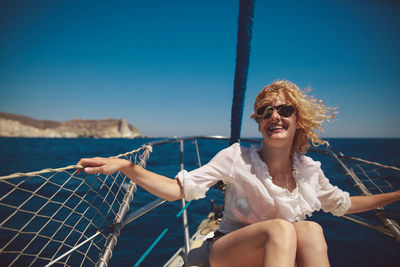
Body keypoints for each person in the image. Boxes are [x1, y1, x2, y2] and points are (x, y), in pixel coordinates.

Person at [77, 80, 400, 267]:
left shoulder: (309, 169)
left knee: (312, 230)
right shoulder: (236, 157)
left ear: (297, 120)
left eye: (284, 110)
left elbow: (344, 204)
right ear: (258, 123)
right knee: (282, 230)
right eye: (265, 112)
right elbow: (178, 189)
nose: (275, 116)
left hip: (274, 249)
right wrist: (127, 167)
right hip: (228, 249)